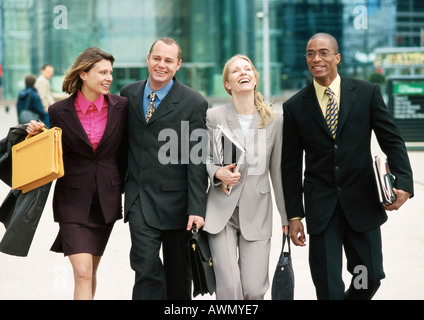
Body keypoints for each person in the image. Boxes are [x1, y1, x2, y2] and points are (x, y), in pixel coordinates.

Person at [282, 33, 414, 300]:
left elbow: (392, 140)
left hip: (362, 204)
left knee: (369, 276)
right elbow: (290, 165)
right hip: (322, 209)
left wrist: (405, 184)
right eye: (310, 54)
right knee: (329, 287)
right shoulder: (295, 106)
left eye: (323, 52)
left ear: (337, 57)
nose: (316, 58)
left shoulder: (367, 93)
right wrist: (294, 215)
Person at [27, 47, 128, 300]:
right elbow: (52, 150)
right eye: (102, 72)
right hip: (72, 200)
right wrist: (36, 135)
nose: (109, 78)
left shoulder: (122, 107)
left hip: (105, 201)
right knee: (82, 272)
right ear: (83, 74)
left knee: (91, 271)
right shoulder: (58, 111)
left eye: (111, 73)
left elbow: (127, 151)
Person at [120, 38, 208, 300]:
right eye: (157, 58)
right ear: (148, 58)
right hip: (139, 199)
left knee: (179, 277)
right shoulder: (128, 94)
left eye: (168, 60)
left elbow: (197, 159)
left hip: (178, 205)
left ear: (178, 65)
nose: (161, 65)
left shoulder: (194, 102)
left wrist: (197, 208)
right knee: (145, 269)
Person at [203, 54, 289, 300]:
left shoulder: (274, 120)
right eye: (236, 71)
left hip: (257, 212)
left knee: (254, 289)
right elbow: (204, 158)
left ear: (254, 78)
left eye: (247, 69)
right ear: (228, 84)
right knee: (228, 290)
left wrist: (286, 215)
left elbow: (278, 173)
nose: (243, 73)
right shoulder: (213, 117)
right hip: (221, 213)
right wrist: (217, 173)